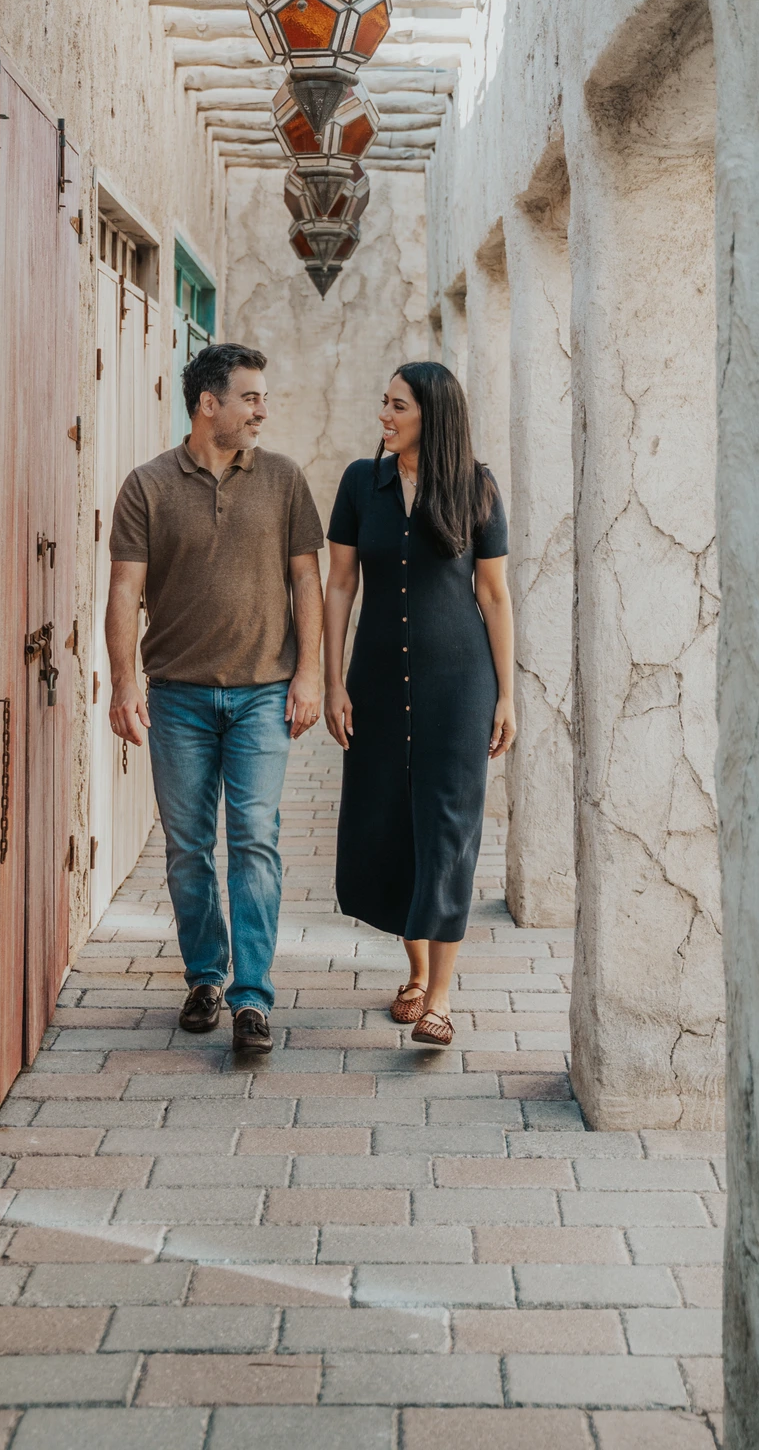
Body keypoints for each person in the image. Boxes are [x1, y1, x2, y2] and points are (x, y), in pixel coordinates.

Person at [106, 342, 325, 1055]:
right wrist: (121, 683)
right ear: (209, 405)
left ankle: (251, 999)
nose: (262, 408)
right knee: (188, 847)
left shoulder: (284, 480)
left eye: (262, 397)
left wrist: (310, 674)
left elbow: (305, 583)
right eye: (250, 397)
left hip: (263, 693)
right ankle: (205, 975)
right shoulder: (146, 487)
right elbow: (123, 590)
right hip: (177, 699)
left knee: (254, 839)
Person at [323, 361, 515, 1047]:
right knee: (387, 823)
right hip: (374, 680)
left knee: (447, 828)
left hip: (459, 685)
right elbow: (339, 585)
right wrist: (331, 680)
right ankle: (410, 970)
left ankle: (437, 997)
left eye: (397, 405)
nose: (384, 414)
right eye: (384, 402)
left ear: (432, 415)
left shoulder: (476, 488)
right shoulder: (359, 483)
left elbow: (492, 596)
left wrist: (506, 696)